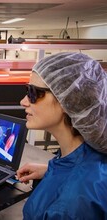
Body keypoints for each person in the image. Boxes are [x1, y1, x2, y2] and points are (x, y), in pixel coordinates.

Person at [16, 52, 107, 219]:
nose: (23, 101)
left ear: (70, 100)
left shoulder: (67, 208)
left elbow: (78, 191)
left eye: (33, 92)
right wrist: (52, 171)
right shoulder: (88, 153)